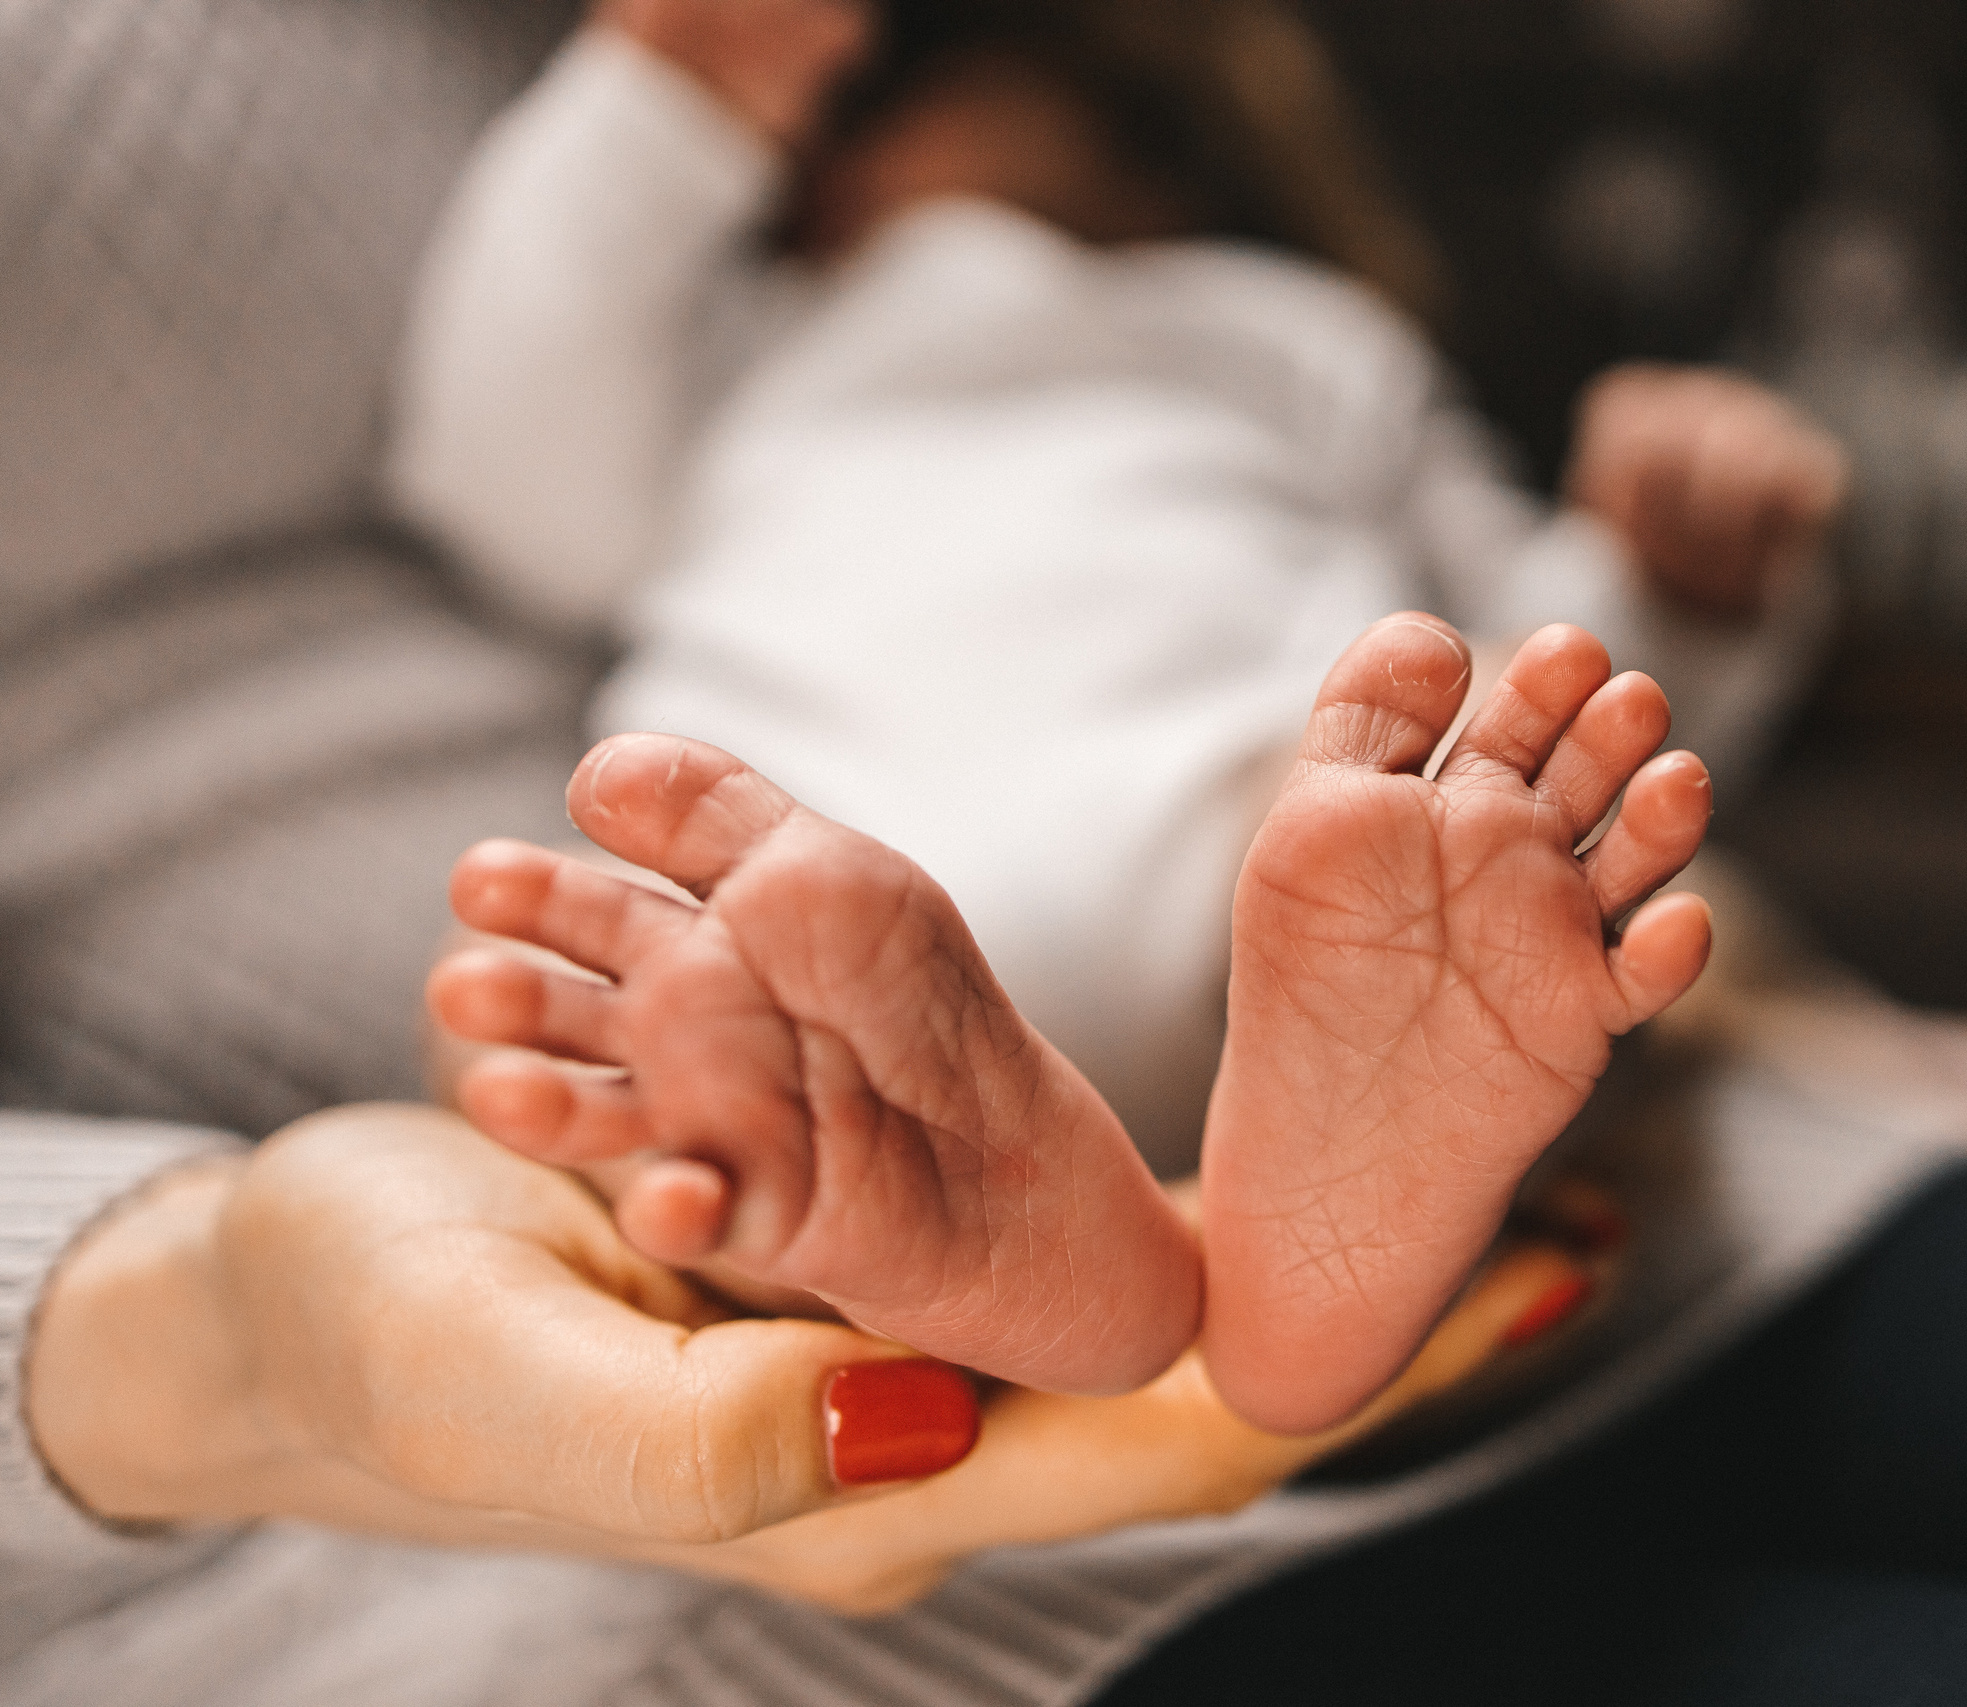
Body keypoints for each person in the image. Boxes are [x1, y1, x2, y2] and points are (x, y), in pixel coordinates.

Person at [393, 0, 1846, 1432]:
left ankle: (1337, 1231)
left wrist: (1669, 579)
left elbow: (1554, 675)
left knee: (1503, 826)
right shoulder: (743, 333)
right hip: (820, 911)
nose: (824, 117)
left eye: (897, 77)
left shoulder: (1297, 336)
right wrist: (653, 114)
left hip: (1282, 890)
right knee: (533, 986)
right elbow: (514, 489)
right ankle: (988, 1249)